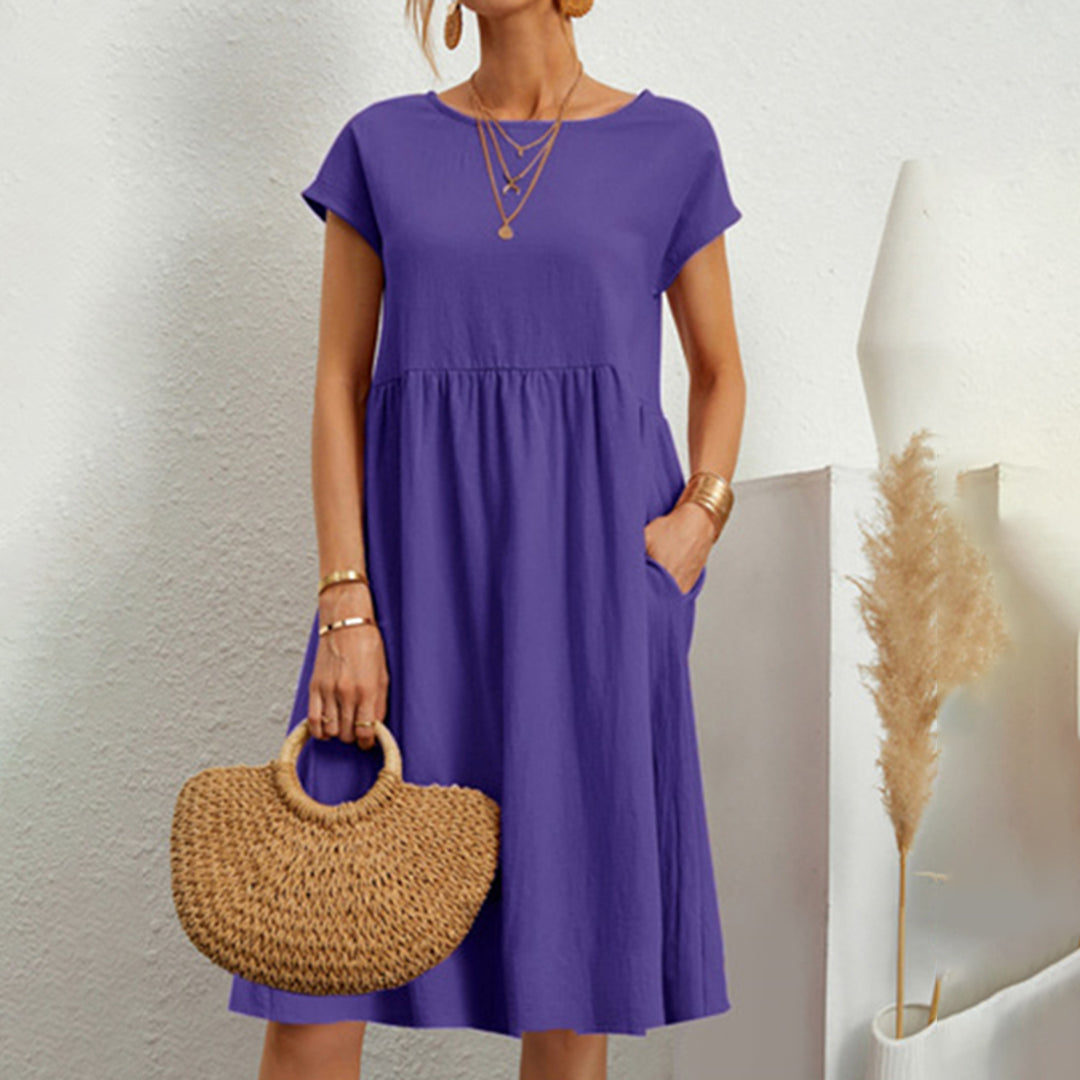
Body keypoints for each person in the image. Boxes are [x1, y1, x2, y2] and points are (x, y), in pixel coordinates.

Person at [228, 1, 746, 1077]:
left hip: (597, 590)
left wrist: (699, 517)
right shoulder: (380, 145)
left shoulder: (673, 143)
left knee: (572, 985)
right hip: (409, 585)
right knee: (313, 980)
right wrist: (345, 602)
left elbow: (719, 370)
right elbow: (338, 384)